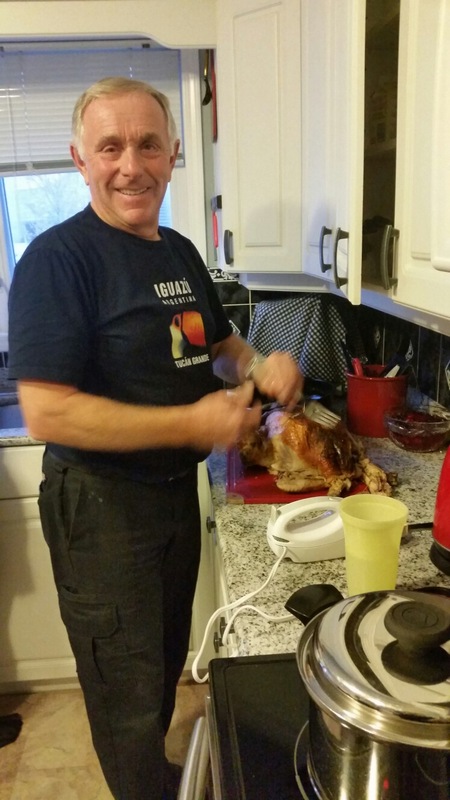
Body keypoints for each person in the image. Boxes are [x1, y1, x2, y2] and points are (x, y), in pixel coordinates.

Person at [8, 76, 303, 800]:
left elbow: (217, 345)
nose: (130, 165)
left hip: (173, 497)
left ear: (173, 154)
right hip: (103, 510)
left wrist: (259, 365)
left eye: (147, 145)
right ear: (80, 159)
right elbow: (47, 412)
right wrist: (193, 423)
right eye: (110, 147)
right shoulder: (57, 260)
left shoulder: (176, 250)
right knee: (126, 694)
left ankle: (154, 780)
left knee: (162, 662)